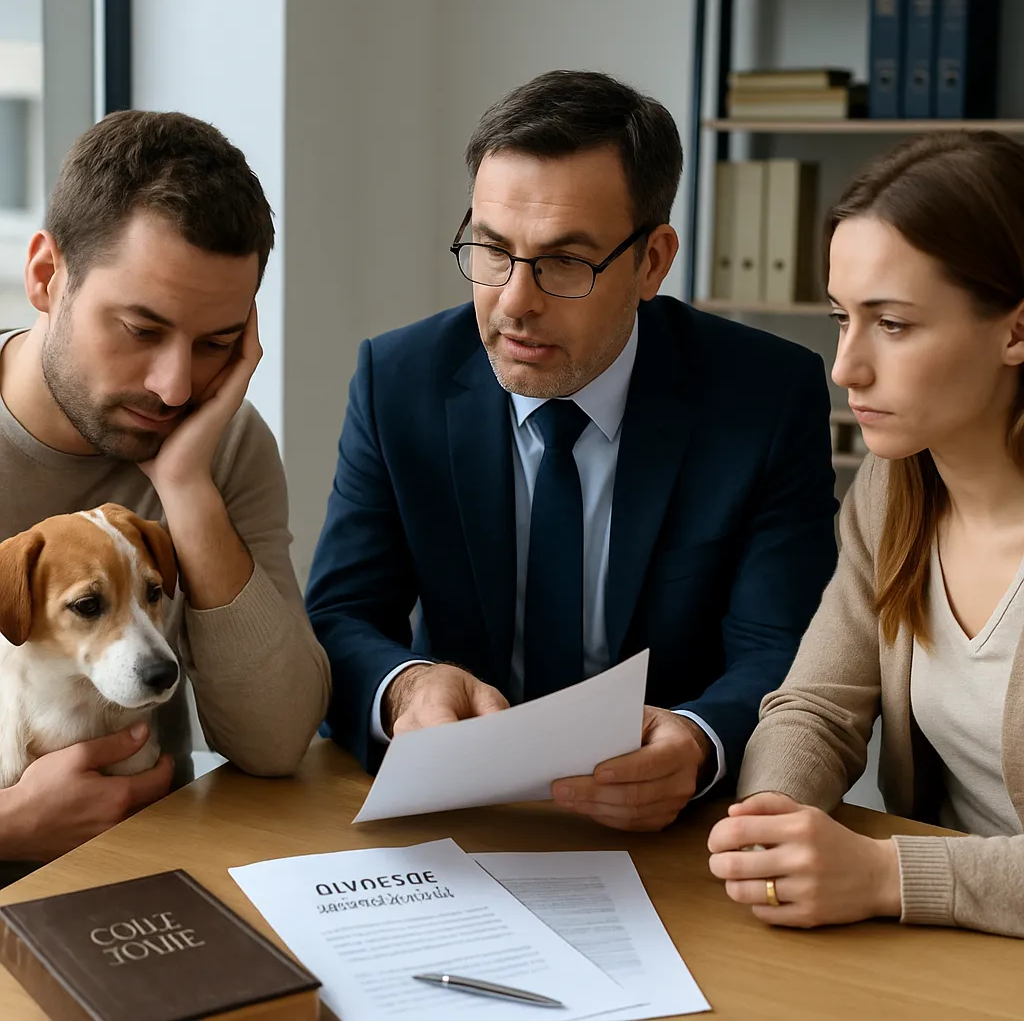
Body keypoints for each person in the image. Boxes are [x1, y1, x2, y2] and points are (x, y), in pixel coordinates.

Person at [307, 70, 837, 832]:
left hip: (671, 833)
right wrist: (405, 687)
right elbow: (339, 615)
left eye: (564, 263)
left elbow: (784, 648)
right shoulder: (399, 382)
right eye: (491, 250)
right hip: (457, 817)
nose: (516, 301)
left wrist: (699, 739)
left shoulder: (764, 396)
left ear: (652, 262)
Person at [708, 130, 1024, 939]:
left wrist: (886, 874)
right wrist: (773, 817)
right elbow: (817, 705)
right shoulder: (894, 489)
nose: (845, 367)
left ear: (1016, 332)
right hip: (951, 952)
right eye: (841, 317)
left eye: (892, 324)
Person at [0, 110, 330, 879]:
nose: (175, 386)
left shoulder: (224, 447)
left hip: (151, 890)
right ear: (46, 277)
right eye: (141, 330)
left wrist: (185, 488)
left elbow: (276, 743)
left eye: (217, 343)